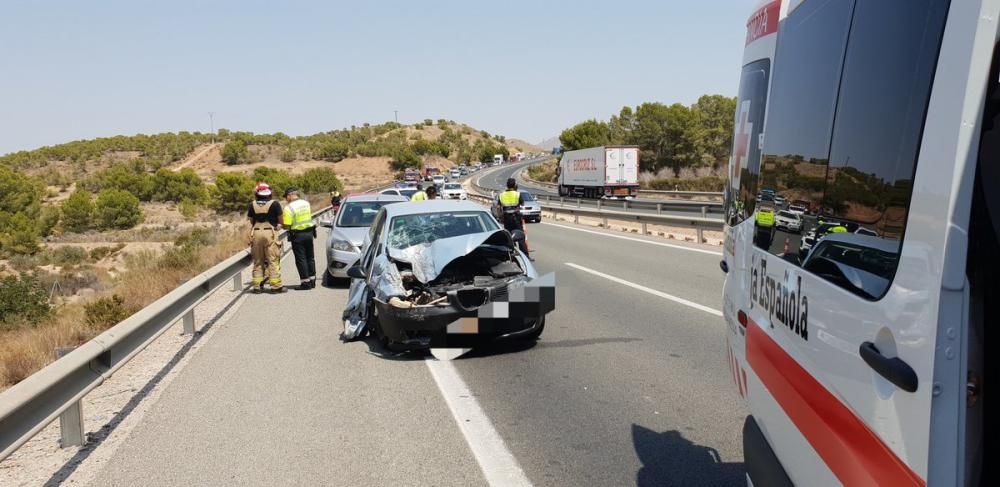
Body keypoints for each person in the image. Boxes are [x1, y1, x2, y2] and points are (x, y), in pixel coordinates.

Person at [247, 183, 285, 293]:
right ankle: (276, 286)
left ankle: (257, 286)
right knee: (272, 260)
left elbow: (251, 221)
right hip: (270, 233)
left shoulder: (252, 205)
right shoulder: (275, 204)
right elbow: (281, 221)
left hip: (256, 233)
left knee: (258, 261)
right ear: (269, 193)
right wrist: (279, 226)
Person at [282, 187, 317, 290]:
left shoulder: (288, 208)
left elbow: (287, 225)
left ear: (289, 195)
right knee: (310, 257)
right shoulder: (306, 203)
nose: (286, 199)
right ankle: (312, 281)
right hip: (309, 233)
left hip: (298, 235)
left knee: (301, 259)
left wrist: (281, 226)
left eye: (286, 197)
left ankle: (305, 283)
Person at [497, 178, 532, 259]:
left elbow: (499, 208)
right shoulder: (517, 194)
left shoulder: (502, 195)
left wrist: (500, 217)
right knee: (520, 236)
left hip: (506, 219)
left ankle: (510, 255)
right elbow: (522, 203)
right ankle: (525, 257)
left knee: (509, 238)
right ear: (515, 185)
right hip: (516, 218)